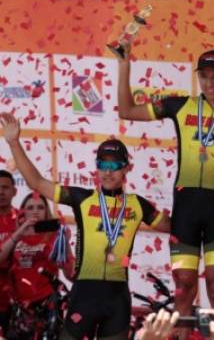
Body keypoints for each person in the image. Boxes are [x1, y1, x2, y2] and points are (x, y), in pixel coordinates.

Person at [117, 44, 214, 336]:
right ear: (198, 78)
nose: (210, 83)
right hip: (186, 209)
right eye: (204, 76)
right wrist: (125, 65)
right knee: (184, 288)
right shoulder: (180, 106)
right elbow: (126, 111)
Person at [0, 112, 171, 340]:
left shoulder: (138, 205)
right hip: (84, 296)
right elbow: (37, 183)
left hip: (117, 299)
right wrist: (13, 142)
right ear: (97, 167)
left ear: (126, 169)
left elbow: (175, 226)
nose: (108, 172)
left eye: (115, 165)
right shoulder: (82, 198)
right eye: (103, 165)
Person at [0, 192, 75, 339]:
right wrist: (20, 231)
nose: (35, 211)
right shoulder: (15, 237)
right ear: (23, 212)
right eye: (30, 208)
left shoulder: (54, 235)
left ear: (46, 212)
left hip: (47, 306)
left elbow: (70, 274)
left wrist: (65, 243)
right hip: (19, 308)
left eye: (40, 207)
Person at [0, 170, 18, 336]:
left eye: (5, 187)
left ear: (15, 191)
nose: (0, 192)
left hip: (19, 301)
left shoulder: (25, 220)